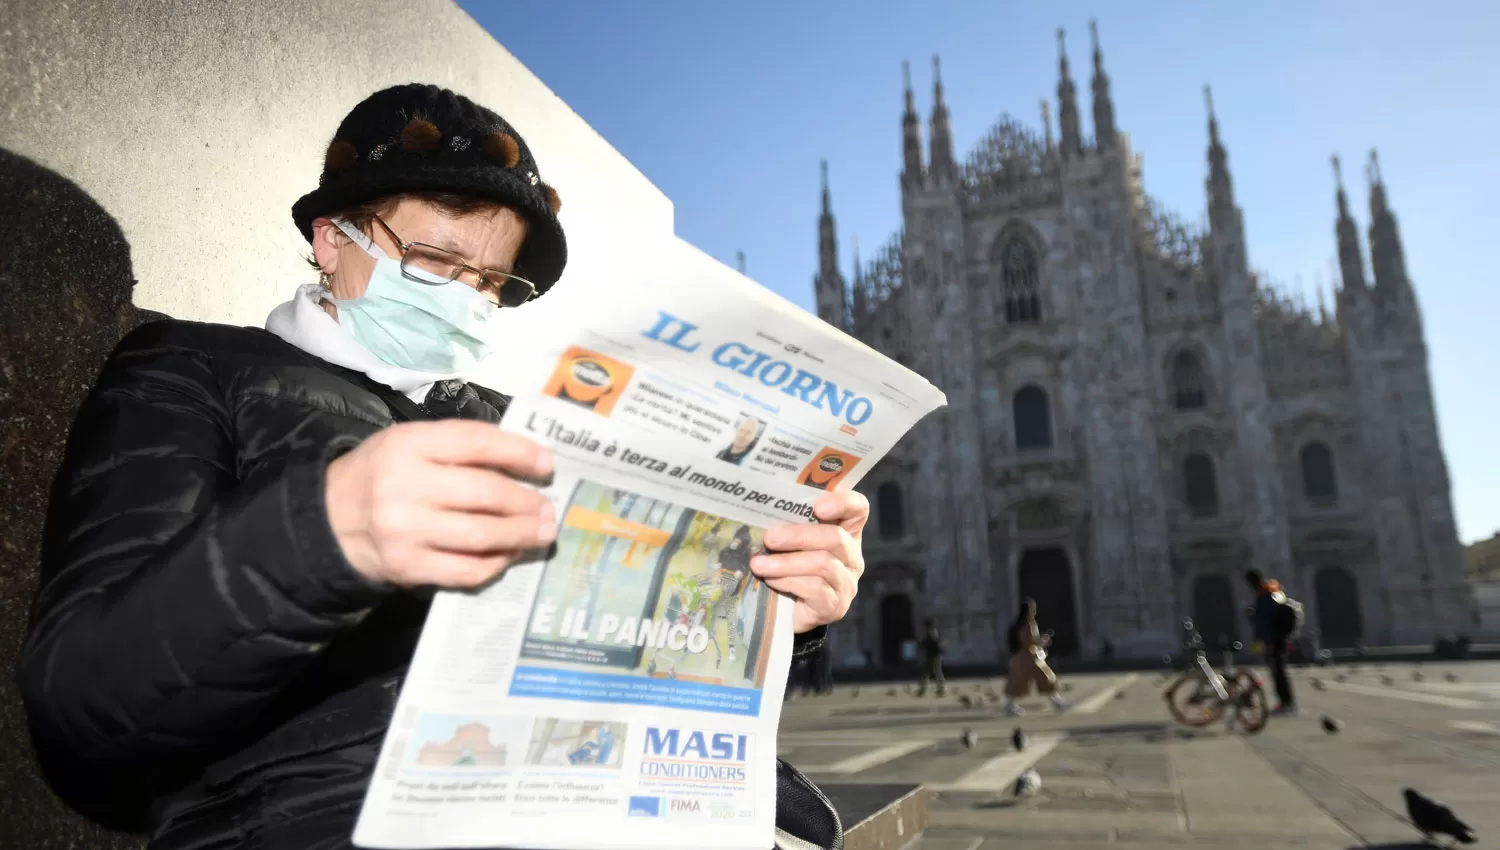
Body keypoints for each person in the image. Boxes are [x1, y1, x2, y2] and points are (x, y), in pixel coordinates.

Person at [18, 83, 868, 847]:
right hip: (321, 809)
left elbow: (630, 657)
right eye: (435, 262)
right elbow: (84, 708)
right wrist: (323, 534)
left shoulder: (513, 419)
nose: (467, 298)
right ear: (331, 238)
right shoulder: (192, 370)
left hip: (601, 797)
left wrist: (770, 611)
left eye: (493, 283)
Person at [1003, 599, 1071, 716]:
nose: (1034, 611)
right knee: (1039, 678)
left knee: (1037, 679)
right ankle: (1057, 702)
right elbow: (1029, 641)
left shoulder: (1023, 624)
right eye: (1033, 609)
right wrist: (1042, 641)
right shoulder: (1027, 625)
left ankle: (1057, 701)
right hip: (1029, 657)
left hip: (1026, 657)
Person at [1245, 569, 1298, 716]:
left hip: (1274, 639)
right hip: (1278, 637)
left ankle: (1287, 704)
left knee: (1278, 672)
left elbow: (1265, 620)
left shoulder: (1265, 595)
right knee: (1278, 672)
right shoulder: (1272, 590)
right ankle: (1286, 703)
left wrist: (1258, 638)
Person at [915, 617, 946, 697]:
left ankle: (940, 689)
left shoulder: (932, 632)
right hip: (933, 655)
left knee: (932, 672)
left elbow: (931, 644)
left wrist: (921, 644)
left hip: (933, 656)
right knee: (929, 673)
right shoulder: (932, 632)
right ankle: (936, 689)